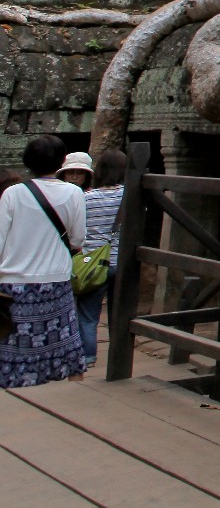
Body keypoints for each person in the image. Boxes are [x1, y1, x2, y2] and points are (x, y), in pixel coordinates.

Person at [0, 135, 89, 386]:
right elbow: (78, 238)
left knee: (13, 338)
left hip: (14, 281)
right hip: (55, 278)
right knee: (65, 336)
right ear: (61, 161)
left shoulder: (13, 193)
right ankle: (74, 383)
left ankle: (15, 378)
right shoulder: (74, 193)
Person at [62, 149, 123, 368]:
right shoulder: (128, 196)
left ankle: (88, 357)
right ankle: (120, 354)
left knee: (88, 315)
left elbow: (75, 232)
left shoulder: (86, 197)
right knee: (121, 312)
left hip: (93, 264)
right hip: (122, 261)